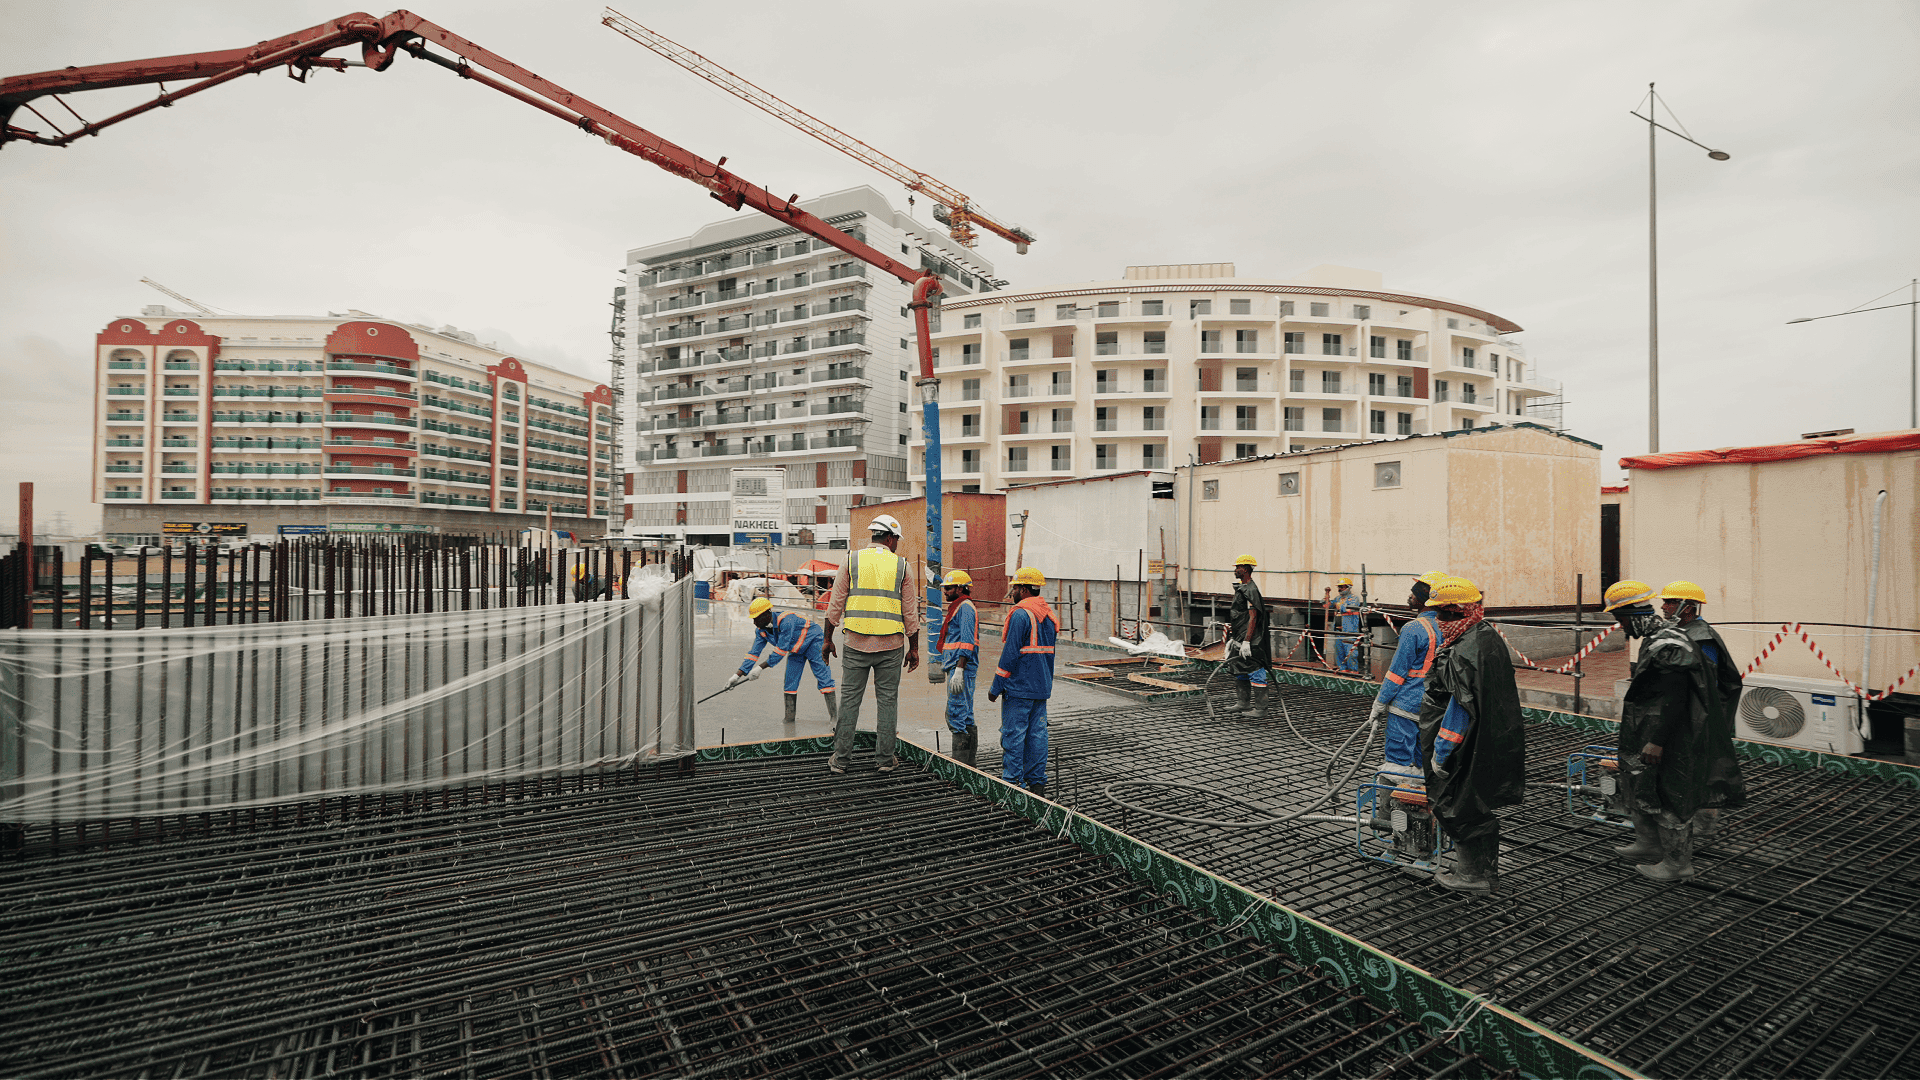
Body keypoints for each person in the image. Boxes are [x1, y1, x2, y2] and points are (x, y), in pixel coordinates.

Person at [1605, 579, 1745, 881]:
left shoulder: (1669, 644)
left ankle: (1677, 864)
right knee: (1645, 785)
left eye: (1620, 619)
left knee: (1671, 793)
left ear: (1631, 614)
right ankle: (1650, 845)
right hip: (1652, 728)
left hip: (1673, 734)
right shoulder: (1659, 637)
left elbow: (1678, 695)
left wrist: (1657, 740)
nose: (1620, 627)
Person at [1418, 575, 1526, 894]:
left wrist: (1441, 752)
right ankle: (1486, 873)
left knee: (1455, 804)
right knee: (1476, 804)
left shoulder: (1462, 651)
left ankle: (1470, 875)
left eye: (1442, 613)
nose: (1438, 620)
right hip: (1486, 739)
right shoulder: (1485, 636)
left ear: (1458, 611)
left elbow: (1458, 708)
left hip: (1460, 744)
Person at [823, 514, 920, 774]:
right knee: (888, 701)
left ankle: (841, 760)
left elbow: (835, 605)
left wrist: (827, 639)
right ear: (889, 538)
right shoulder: (902, 566)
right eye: (896, 539)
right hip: (891, 646)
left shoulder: (851, 560)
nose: (896, 543)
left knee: (849, 701)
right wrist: (915, 647)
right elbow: (910, 612)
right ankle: (885, 760)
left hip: (855, 642)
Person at [1661, 580, 1748, 840]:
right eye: (1664, 601)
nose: (1664, 607)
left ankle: (1703, 827)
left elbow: (1705, 685)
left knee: (1703, 771)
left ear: (1687, 608)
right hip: (1690, 715)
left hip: (1705, 717)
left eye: (1670, 602)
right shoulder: (1685, 632)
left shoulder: (1702, 638)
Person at [1370, 571, 1448, 786]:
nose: (1409, 597)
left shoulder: (1413, 628)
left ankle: (1395, 814)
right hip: (1432, 706)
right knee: (1421, 762)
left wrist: (1380, 702)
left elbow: (1397, 672)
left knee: (1397, 764)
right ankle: (1418, 807)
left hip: (1405, 705)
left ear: (1424, 598)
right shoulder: (1448, 627)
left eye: (1413, 594)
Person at [990, 566, 1058, 796]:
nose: (1013, 593)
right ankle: (1037, 784)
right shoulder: (1048, 615)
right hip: (1041, 687)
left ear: (1024, 589)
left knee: (1014, 735)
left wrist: (995, 687)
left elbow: (1009, 655)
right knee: (1038, 735)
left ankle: (1012, 785)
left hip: (1019, 688)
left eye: (1016, 588)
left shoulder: (1021, 614)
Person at [728, 596, 837, 725]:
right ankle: (789, 719)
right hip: (796, 649)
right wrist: (737, 675)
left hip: (813, 641)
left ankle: (834, 717)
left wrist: (760, 668)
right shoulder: (761, 631)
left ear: (767, 614)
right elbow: (753, 654)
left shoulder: (786, 620)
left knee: (823, 677)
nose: (754, 622)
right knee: (790, 682)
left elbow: (781, 650)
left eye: (756, 618)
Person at [936, 570, 980, 766]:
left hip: (960, 667)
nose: (945, 592)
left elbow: (967, 641)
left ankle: (961, 766)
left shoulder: (965, 608)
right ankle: (969, 765)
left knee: (956, 714)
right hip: (957, 666)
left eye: (949, 588)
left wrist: (959, 670)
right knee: (966, 715)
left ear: (961, 588)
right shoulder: (959, 606)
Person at [1223, 555, 1272, 717]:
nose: (1235, 570)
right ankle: (1243, 703)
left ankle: (1261, 709)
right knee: (1240, 668)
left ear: (1245, 569)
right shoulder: (1243, 588)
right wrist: (1235, 637)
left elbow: (1253, 617)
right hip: (1240, 637)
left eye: (1238, 567)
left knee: (1255, 669)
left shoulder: (1250, 590)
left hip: (1251, 640)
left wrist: (1247, 641)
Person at [1323, 577, 1364, 674]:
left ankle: (1353, 672)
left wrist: (1338, 605)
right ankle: (1343, 671)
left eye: (1342, 587)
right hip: (1338, 631)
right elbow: (1327, 605)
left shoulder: (1354, 598)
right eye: (1339, 587)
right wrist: (1326, 596)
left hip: (1349, 631)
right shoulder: (1338, 598)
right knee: (1339, 653)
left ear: (1348, 587)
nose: (1340, 589)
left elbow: (1348, 608)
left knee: (1350, 653)